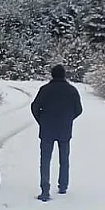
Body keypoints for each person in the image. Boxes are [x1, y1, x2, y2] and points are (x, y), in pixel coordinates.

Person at [29, 64, 83, 201]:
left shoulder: (45, 89)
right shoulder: (71, 90)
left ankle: (45, 189)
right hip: (65, 129)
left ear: (52, 75)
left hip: (47, 129)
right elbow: (79, 109)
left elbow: (35, 107)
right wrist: (68, 118)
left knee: (45, 160)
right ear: (64, 74)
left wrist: (42, 120)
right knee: (64, 159)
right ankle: (63, 185)